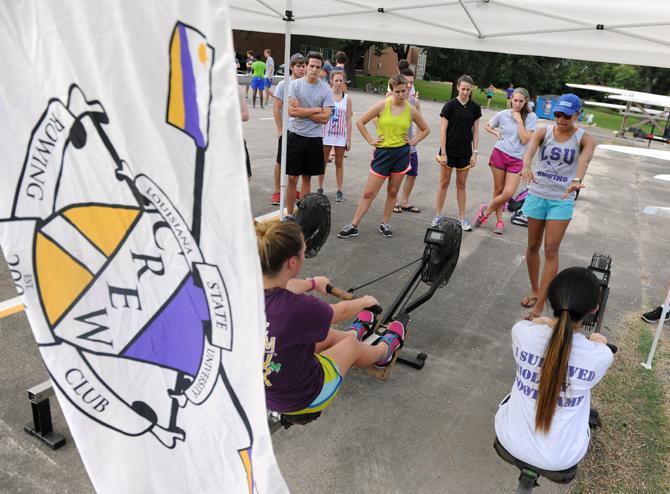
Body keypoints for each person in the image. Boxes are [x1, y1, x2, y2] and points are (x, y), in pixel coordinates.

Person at [257, 221, 406, 415]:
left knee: (323, 335)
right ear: (292, 262)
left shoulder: (249, 291)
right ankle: (383, 352)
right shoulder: (300, 307)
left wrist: (312, 283)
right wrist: (364, 301)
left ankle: (353, 334)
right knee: (350, 346)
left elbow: (289, 285)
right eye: (303, 251)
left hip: (267, 394)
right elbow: (340, 312)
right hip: (303, 398)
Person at [495, 267, 613, 472]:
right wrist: (598, 342)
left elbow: (535, 325)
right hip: (561, 458)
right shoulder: (600, 355)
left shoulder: (522, 333)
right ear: (593, 309)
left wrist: (543, 321)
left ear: (549, 301)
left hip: (508, 439)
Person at [519, 93, 596, 318]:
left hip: (561, 199)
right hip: (537, 194)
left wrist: (576, 180)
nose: (561, 119)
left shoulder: (585, 138)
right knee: (533, 244)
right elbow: (530, 149)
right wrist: (526, 166)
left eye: (567, 115)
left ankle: (541, 304)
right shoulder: (544, 131)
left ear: (577, 114)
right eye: (558, 114)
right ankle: (535, 289)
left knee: (551, 249)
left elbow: (584, 159)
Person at [338, 74, 430, 239]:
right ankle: (353, 225)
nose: (401, 95)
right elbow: (360, 122)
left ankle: (385, 223)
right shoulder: (382, 105)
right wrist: (371, 140)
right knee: (369, 193)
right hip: (383, 153)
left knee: (393, 191)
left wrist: (412, 142)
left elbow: (425, 129)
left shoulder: (411, 109)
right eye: (398, 92)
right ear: (391, 91)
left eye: (404, 91)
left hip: (401, 154)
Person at [476, 87, 538, 235]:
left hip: (517, 160)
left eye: (520, 101)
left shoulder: (531, 118)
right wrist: (495, 131)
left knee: (508, 192)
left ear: (526, 102)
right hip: (500, 154)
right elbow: (487, 125)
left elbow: (524, 139)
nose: (517, 104)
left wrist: (519, 121)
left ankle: (486, 210)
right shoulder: (503, 114)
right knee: (498, 190)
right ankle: (499, 221)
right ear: (511, 100)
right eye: (514, 100)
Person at [285, 52, 335, 216]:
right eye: (311, 66)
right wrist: (315, 109)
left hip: (314, 138)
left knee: (307, 178)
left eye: (318, 67)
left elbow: (325, 118)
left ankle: (302, 215)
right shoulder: (295, 85)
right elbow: (291, 112)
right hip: (295, 135)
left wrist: (302, 110)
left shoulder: (326, 90)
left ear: (322, 70)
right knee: (292, 178)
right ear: (305, 66)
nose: (314, 70)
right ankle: (290, 213)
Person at [433, 74, 481, 231]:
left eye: (468, 89)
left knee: (461, 185)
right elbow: (443, 131)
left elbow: (476, 131)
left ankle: (462, 218)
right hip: (449, 150)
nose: (465, 92)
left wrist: (475, 153)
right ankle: (438, 216)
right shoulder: (449, 106)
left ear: (471, 89)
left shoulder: (475, 107)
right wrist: (444, 153)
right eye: (463, 89)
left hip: (465, 152)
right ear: (457, 88)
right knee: (443, 183)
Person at [270, 53, 306, 205]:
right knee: (280, 160)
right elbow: (277, 107)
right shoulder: (283, 84)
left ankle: (293, 188)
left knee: (298, 163)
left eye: (304, 66)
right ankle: (278, 191)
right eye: (299, 66)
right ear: (292, 67)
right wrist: (280, 128)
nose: (302, 69)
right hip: (287, 130)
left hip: (302, 130)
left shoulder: (306, 85)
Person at [318, 70, 352, 202]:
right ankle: (320, 187)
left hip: (340, 135)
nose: (338, 83)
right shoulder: (326, 95)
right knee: (323, 161)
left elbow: (348, 119)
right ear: (331, 81)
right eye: (336, 80)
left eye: (340, 80)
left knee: (339, 162)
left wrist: (348, 139)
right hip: (326, 134)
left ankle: (339, 190)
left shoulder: (347, 98)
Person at [394, 68, 422, 214]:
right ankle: (394, 202)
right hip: (395, 146)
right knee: (396, 176)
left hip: (409, 146)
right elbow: (376, 118)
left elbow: (420, 124)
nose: (409, 85)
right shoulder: (391, 98)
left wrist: (414, 141)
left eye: (412, 82)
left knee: (412, 174)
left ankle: (404, 201)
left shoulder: (414, 102)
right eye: (407, 82)